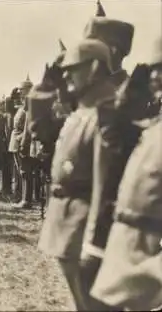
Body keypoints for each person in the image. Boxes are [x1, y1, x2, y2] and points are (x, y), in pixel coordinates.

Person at [38, 38, 120, 311]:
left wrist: (96, 245)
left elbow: (107, 187)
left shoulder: (108, 114)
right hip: (69, 222)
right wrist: (44, 89)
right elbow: (43, 132)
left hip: (85, 228)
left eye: (73, 68)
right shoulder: (82, 112)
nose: (65, 74)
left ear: (95, 68)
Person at [89, 35, 162, 312]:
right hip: (126, 248)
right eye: (154, 69)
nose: (155, 77)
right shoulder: (153, 129)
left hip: (149, 260)